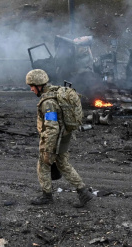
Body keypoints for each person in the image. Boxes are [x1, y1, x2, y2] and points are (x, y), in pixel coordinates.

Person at [25, 69, 95, 207]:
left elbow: (52, 127)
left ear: (39, 85)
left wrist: (48, 149)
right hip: (64, 136)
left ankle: (47, 196)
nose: (31, 89)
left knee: (43, 165)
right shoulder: (56, 92)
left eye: (32, 86)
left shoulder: (48, 103)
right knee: (63, 164)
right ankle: (83, 191)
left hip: (54, 138)